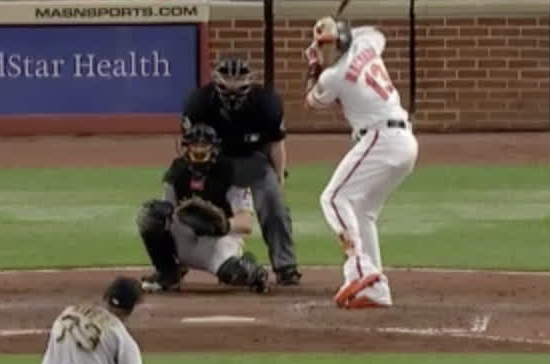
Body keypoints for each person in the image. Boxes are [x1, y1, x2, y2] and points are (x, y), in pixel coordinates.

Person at [304, 17, 418, 309]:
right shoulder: (367, 43)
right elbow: (377, 33)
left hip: (382, 137)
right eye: (320, 46)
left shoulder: (333, 77)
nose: (323, 51)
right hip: (403, 141)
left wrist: (313, 68)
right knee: (362, 211)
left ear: (341, 42)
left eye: (328, 46)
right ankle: (376, 289)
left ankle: (359, 267)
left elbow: (311, 102)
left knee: (333, 198)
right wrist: (334, 31)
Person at [180, 56, 301, 286]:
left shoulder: (267, 103)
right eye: (227, 89)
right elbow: (188, 144)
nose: (233, 95)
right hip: (213, 162)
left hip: (253, 159)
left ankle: (286, 266)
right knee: (191, 208)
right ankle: (177, 264)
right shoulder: (198, 102)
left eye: (238, 88)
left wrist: (278, 180)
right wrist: (191, 178)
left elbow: (276, 145)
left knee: (274, 204)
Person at [136, 123, 271, 294]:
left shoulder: (230, 171)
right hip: (185, 235)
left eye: (204, 144)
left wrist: (223, 225)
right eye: (195, 144)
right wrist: (167, 213)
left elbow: (246, 223)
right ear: (186, 146)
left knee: (235, 275)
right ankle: (168, 274)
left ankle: (250, 269)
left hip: (217, 240)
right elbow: (168, 210)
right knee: (151, 217)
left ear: (214, 148)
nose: (199, 149)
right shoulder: (178, 170)